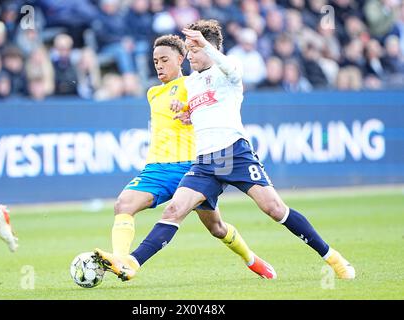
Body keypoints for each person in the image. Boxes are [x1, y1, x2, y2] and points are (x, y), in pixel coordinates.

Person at [94, 19, 355, 281]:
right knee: (174, 211)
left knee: (274, 209)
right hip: (204, 162)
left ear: (209, 48)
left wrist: (206, 45)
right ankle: (131, 263)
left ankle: (332, 257)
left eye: (193, 50)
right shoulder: (193, 82)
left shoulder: (229, 71)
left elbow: (227, 68)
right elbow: (202, 109)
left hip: (234, 154)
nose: (189, 56)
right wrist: (186, 112)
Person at [94, 34, 275, 281]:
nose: (158, 65)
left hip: (191, 167)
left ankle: (251, 259)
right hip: (157, 168)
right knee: (123, 205)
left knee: (216, 228)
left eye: (164, 59)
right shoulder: (152, 93)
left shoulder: (196, 83)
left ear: (181, 59)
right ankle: (120, 260)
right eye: (155, 60)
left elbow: (209, 100)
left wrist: (187, 107)